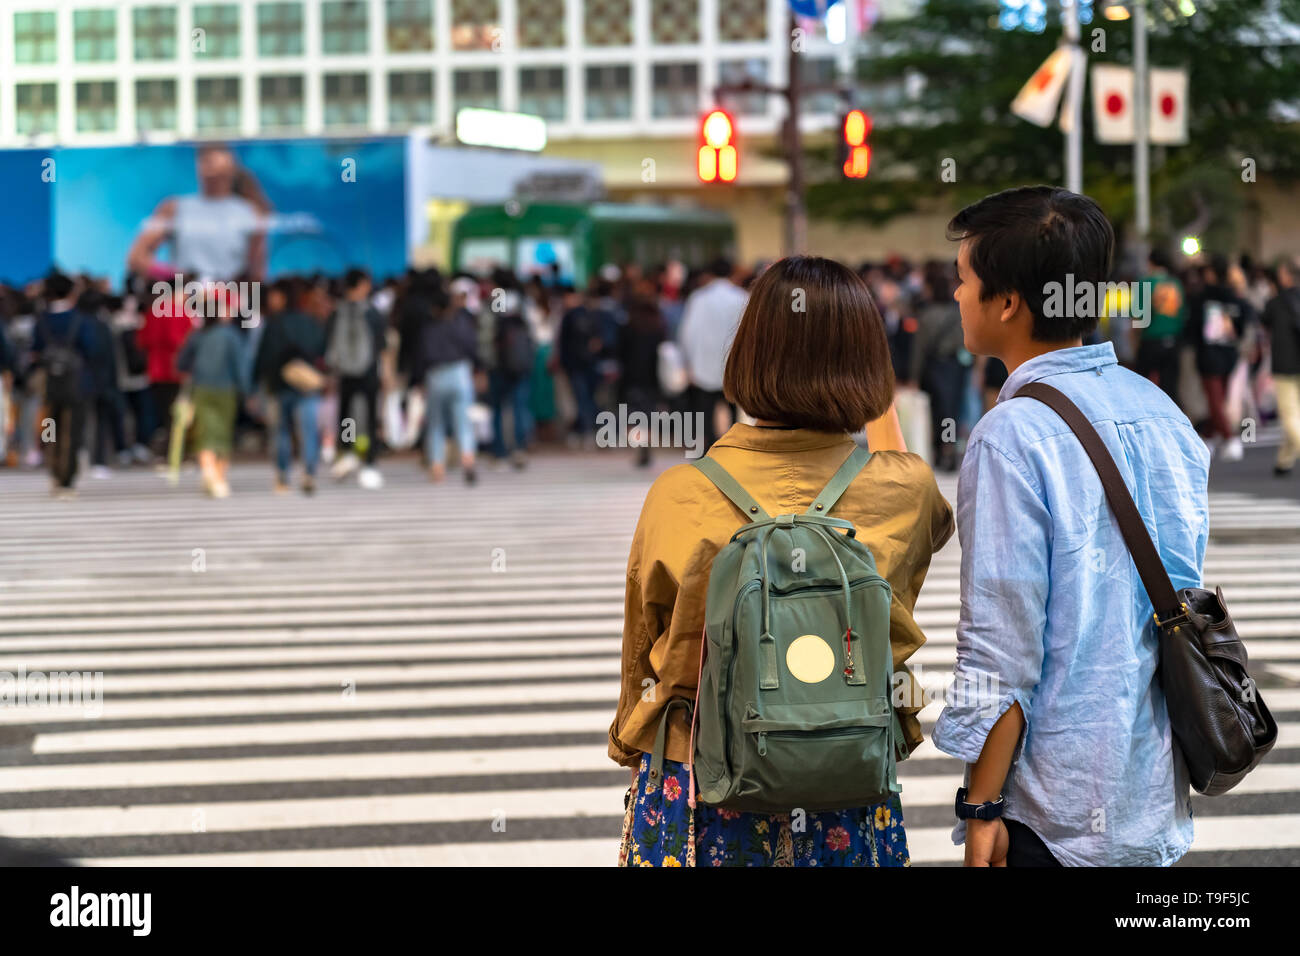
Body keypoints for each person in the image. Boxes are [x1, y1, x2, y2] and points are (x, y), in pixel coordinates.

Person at [611, 255, 954, 867]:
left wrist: (628, 739)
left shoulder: (680, 493)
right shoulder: (906, 491)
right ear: (870, 363)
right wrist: (874, 393)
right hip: (845, 780)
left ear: (746, 354)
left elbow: (645, 644)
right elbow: (908, 492)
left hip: (701, 781)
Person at [933, 186, 1209, 867]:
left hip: (1053, 815)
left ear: (1007, 303)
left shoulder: (1010, 436)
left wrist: (981, 810)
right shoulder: (1161, 411)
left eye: (965, 281)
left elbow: (1001, 654)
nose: (958, 297)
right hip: (1148, 796)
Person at [127, 143, 267, 283]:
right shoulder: (174, 209)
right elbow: (136, 257)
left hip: (229, 300)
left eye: (216, 152)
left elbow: (256, 274)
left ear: (232, 164)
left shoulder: (251, 214)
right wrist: (175, 277)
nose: (208, 161)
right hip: (185, 300)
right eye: (203, 156)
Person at [254, 281, 328, 494]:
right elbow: (321, 350)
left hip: (279, 385)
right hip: (307, 385)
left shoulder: (274, 323)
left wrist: (256, 383)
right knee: (308, 431)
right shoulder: (311, 322)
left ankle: (282, 476)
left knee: (281, 432)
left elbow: (264, 356)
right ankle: (309, 473)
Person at [30, 273, 98, 497]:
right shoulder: (80, 319)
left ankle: (53, 471)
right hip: (76, 382)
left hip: (49, 382)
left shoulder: (41, 320)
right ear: (71, 292)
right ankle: (67, 479)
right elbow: (90, 349)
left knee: (50, 427)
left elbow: (35, 350)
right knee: (73, 430)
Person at [176, 301, 248, 497]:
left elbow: (181, 362)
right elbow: (241, 366)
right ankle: (219, 476)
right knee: (223, 433)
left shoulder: (197, 335)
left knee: (205, 432)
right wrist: (246, 391)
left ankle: (208, 471)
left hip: (201, 389)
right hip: (227, 390)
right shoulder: (231, 336)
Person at [677, 257, 747, 451]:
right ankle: (734, 449)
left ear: (709, 274)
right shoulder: (741, 297)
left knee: (705, 410)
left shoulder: (699, 298)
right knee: (733, 409)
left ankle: (707, 449)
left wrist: (687, 361)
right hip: (732, 364)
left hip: (703, 364)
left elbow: (688, 332)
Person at [326, 268, 388, 490]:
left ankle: (348, 452)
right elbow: (382, 347)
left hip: (344, 372)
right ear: (362, 285)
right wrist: (387, 375)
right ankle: (369, 463)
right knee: (370, 418)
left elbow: (330, 346)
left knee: (346, 415)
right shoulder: (372, 313)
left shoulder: (337, 312)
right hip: (369, 372)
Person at [1186, 255, 1252, 461]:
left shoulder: (1202, 297)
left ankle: (1230, 438)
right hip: (1229, 354)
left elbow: (1192, 326)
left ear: (1211, 273)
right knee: (1218, 398)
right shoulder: (1236, 297)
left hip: (1209, 354)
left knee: (1215, 400)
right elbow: (1243, 326)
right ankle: (1208, 438)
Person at [414, 279, 480, 484]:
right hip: (460, 372)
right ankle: (468, 459)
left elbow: (421, 355)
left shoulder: (428, 328)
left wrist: (418, 381)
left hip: (436, 375)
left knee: (436, 424)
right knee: (463, 422)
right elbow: (473, 347)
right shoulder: (461, 323)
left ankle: (437, 466)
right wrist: (480, 370)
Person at [616, 295, 666, 467]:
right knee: (650, 415)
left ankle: (640, 447)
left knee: (633, 415)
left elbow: (619, 353)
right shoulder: (658, 328)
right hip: (653, 379)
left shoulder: (628, 328)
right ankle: (646, 446)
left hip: (631, 379)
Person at [1133, 248, 1188, 406]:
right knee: (1170, 388)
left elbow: (1138, 319)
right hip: (1173, 341)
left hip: (1151, 340)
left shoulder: (1144, 283)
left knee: (1141, 386)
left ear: (1150, 263)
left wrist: (1134, 340)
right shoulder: (1176, 284)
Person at [1264, 257, 1300, 477]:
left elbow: (1264, 321)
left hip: (1285, 364)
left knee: (1290, 415)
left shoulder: (1276, 302)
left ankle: (1285, 459)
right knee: (1295, 414)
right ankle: (1284, 461)